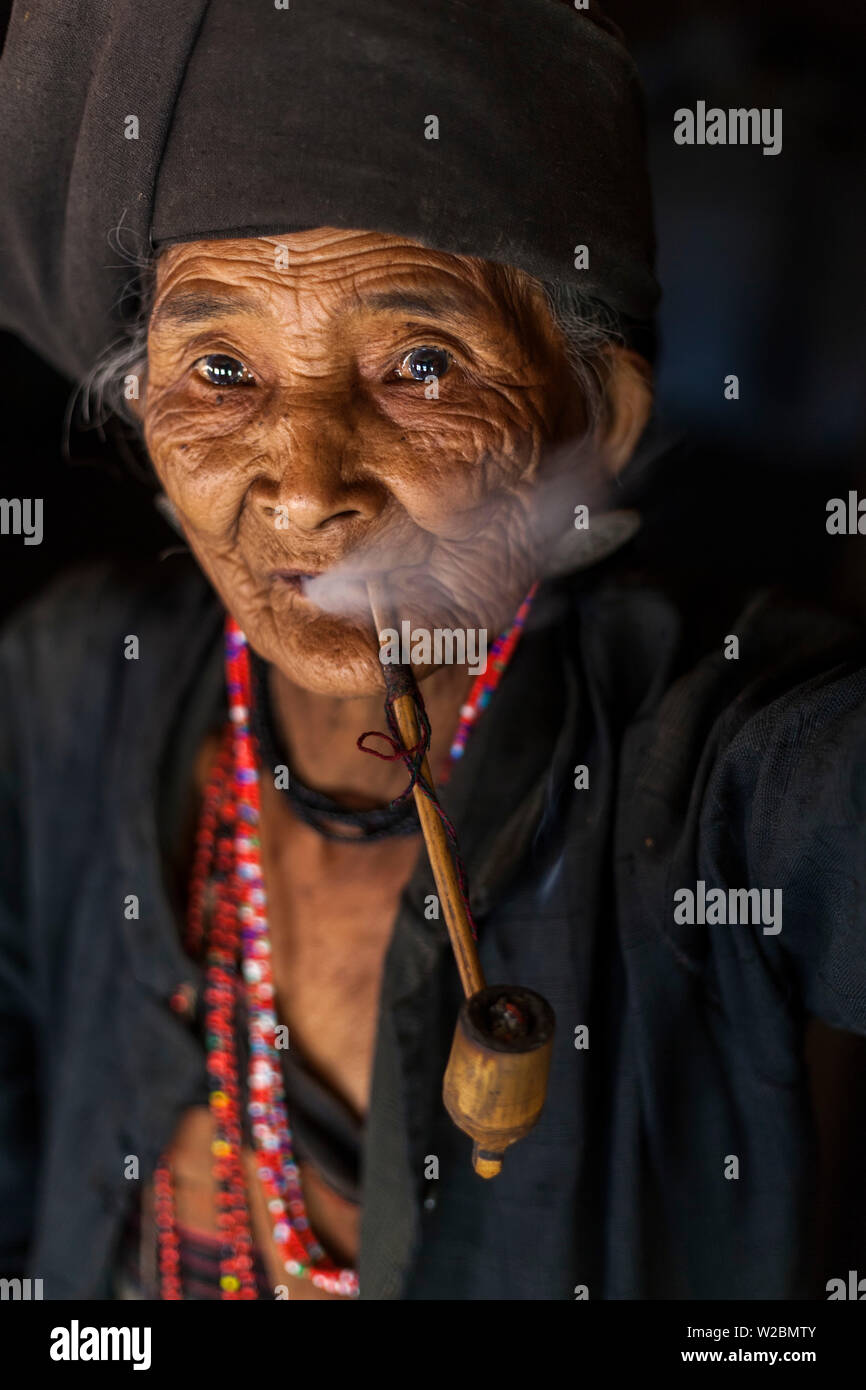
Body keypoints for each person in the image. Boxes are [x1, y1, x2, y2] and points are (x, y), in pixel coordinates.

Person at [0, 0, 864, 1301]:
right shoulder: (70, 683)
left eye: (417, 363)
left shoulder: (715, 757)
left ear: (595, 416)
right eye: (220, 368)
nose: (304, 488)